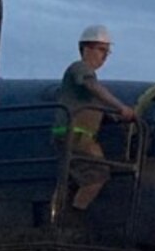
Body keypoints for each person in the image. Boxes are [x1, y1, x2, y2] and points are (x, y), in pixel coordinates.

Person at [53, 25, 135, 218]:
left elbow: (98, 103)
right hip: (74, 134)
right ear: (86, 48)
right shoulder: (79, 69)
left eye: (107, 52)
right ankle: (73, 218)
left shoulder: (90, 82)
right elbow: (93, 88)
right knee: (97, 176)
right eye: (101, 50)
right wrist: (120, 107)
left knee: (82, 176)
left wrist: (117, 116)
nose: (104, 56)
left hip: (83, 136)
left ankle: (64, 215)